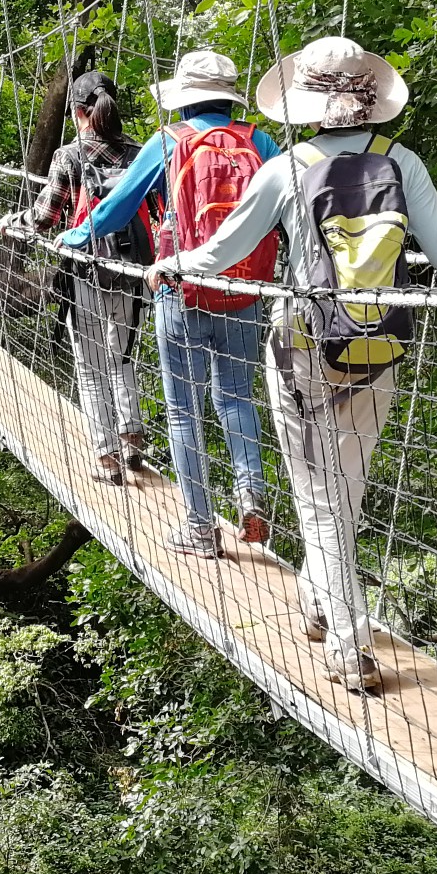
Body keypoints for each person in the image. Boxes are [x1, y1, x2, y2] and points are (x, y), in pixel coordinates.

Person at [147, 37, 437, 692]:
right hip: (378, 348)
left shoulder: (286, 167)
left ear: (306, 103)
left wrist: (170, 263)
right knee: (341, 494)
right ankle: (322, 602)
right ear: (374, 101)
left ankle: (348, 645)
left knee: (318, 497)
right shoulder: (403, 163)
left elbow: (222, 250)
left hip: (301, 344)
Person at [63, 50, 279, 558]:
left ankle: (200, 529)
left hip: (178, 290)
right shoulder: (261, 142)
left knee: (184, 412)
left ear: (183, 99)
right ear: (229, 98)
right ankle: (251, 494)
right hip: (246, 290)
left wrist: (73, 238)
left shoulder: (168, 142)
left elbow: (115, 212)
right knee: (236, 399)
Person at [29, 72, 152, 486]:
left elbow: (46, 217)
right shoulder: (141, 151)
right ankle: (132, 438)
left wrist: (17, 222)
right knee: (122, 356)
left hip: (87, 269)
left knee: (89, 364)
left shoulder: (69, 155)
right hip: (133, 269)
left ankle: (107, 457)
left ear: (79, 112)